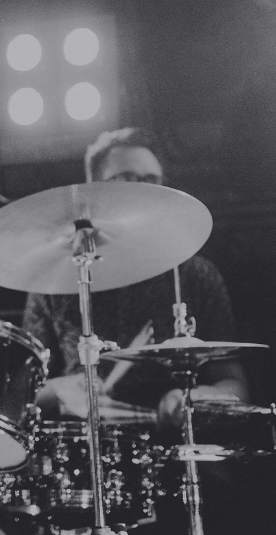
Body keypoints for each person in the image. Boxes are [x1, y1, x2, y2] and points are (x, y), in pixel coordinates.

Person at [23, 127, 253, 534]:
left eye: (152, 180)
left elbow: (234, 383)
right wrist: (59, 391)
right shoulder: (56, 281)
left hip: (178, 457)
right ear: (93, 192)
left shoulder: (194, 275)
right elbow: (21, 394)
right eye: (127, 180)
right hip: (82, 466)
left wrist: (194, 399)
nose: (145, 190)